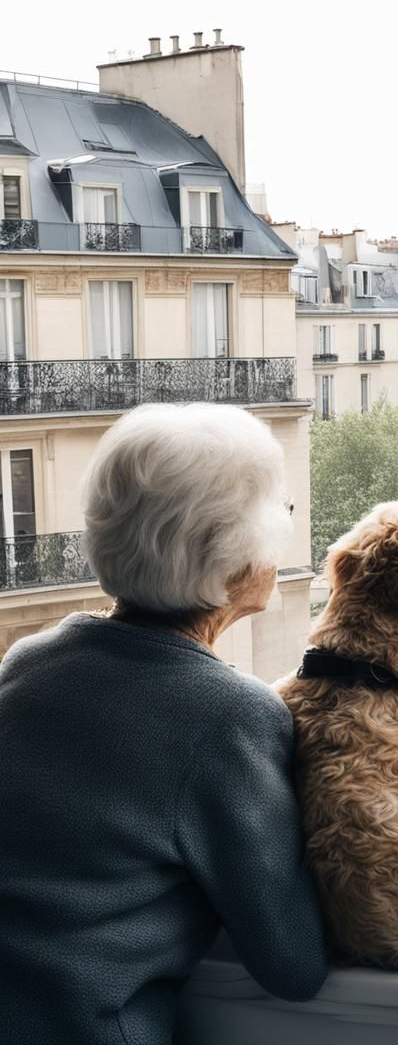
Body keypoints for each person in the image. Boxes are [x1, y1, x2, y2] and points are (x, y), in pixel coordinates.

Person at [0, 403, 328, 1045]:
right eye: (281, 510)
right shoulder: (229, 715)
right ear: (234, 553)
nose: (288, 526)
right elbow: (293, 964)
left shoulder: (26, 662)